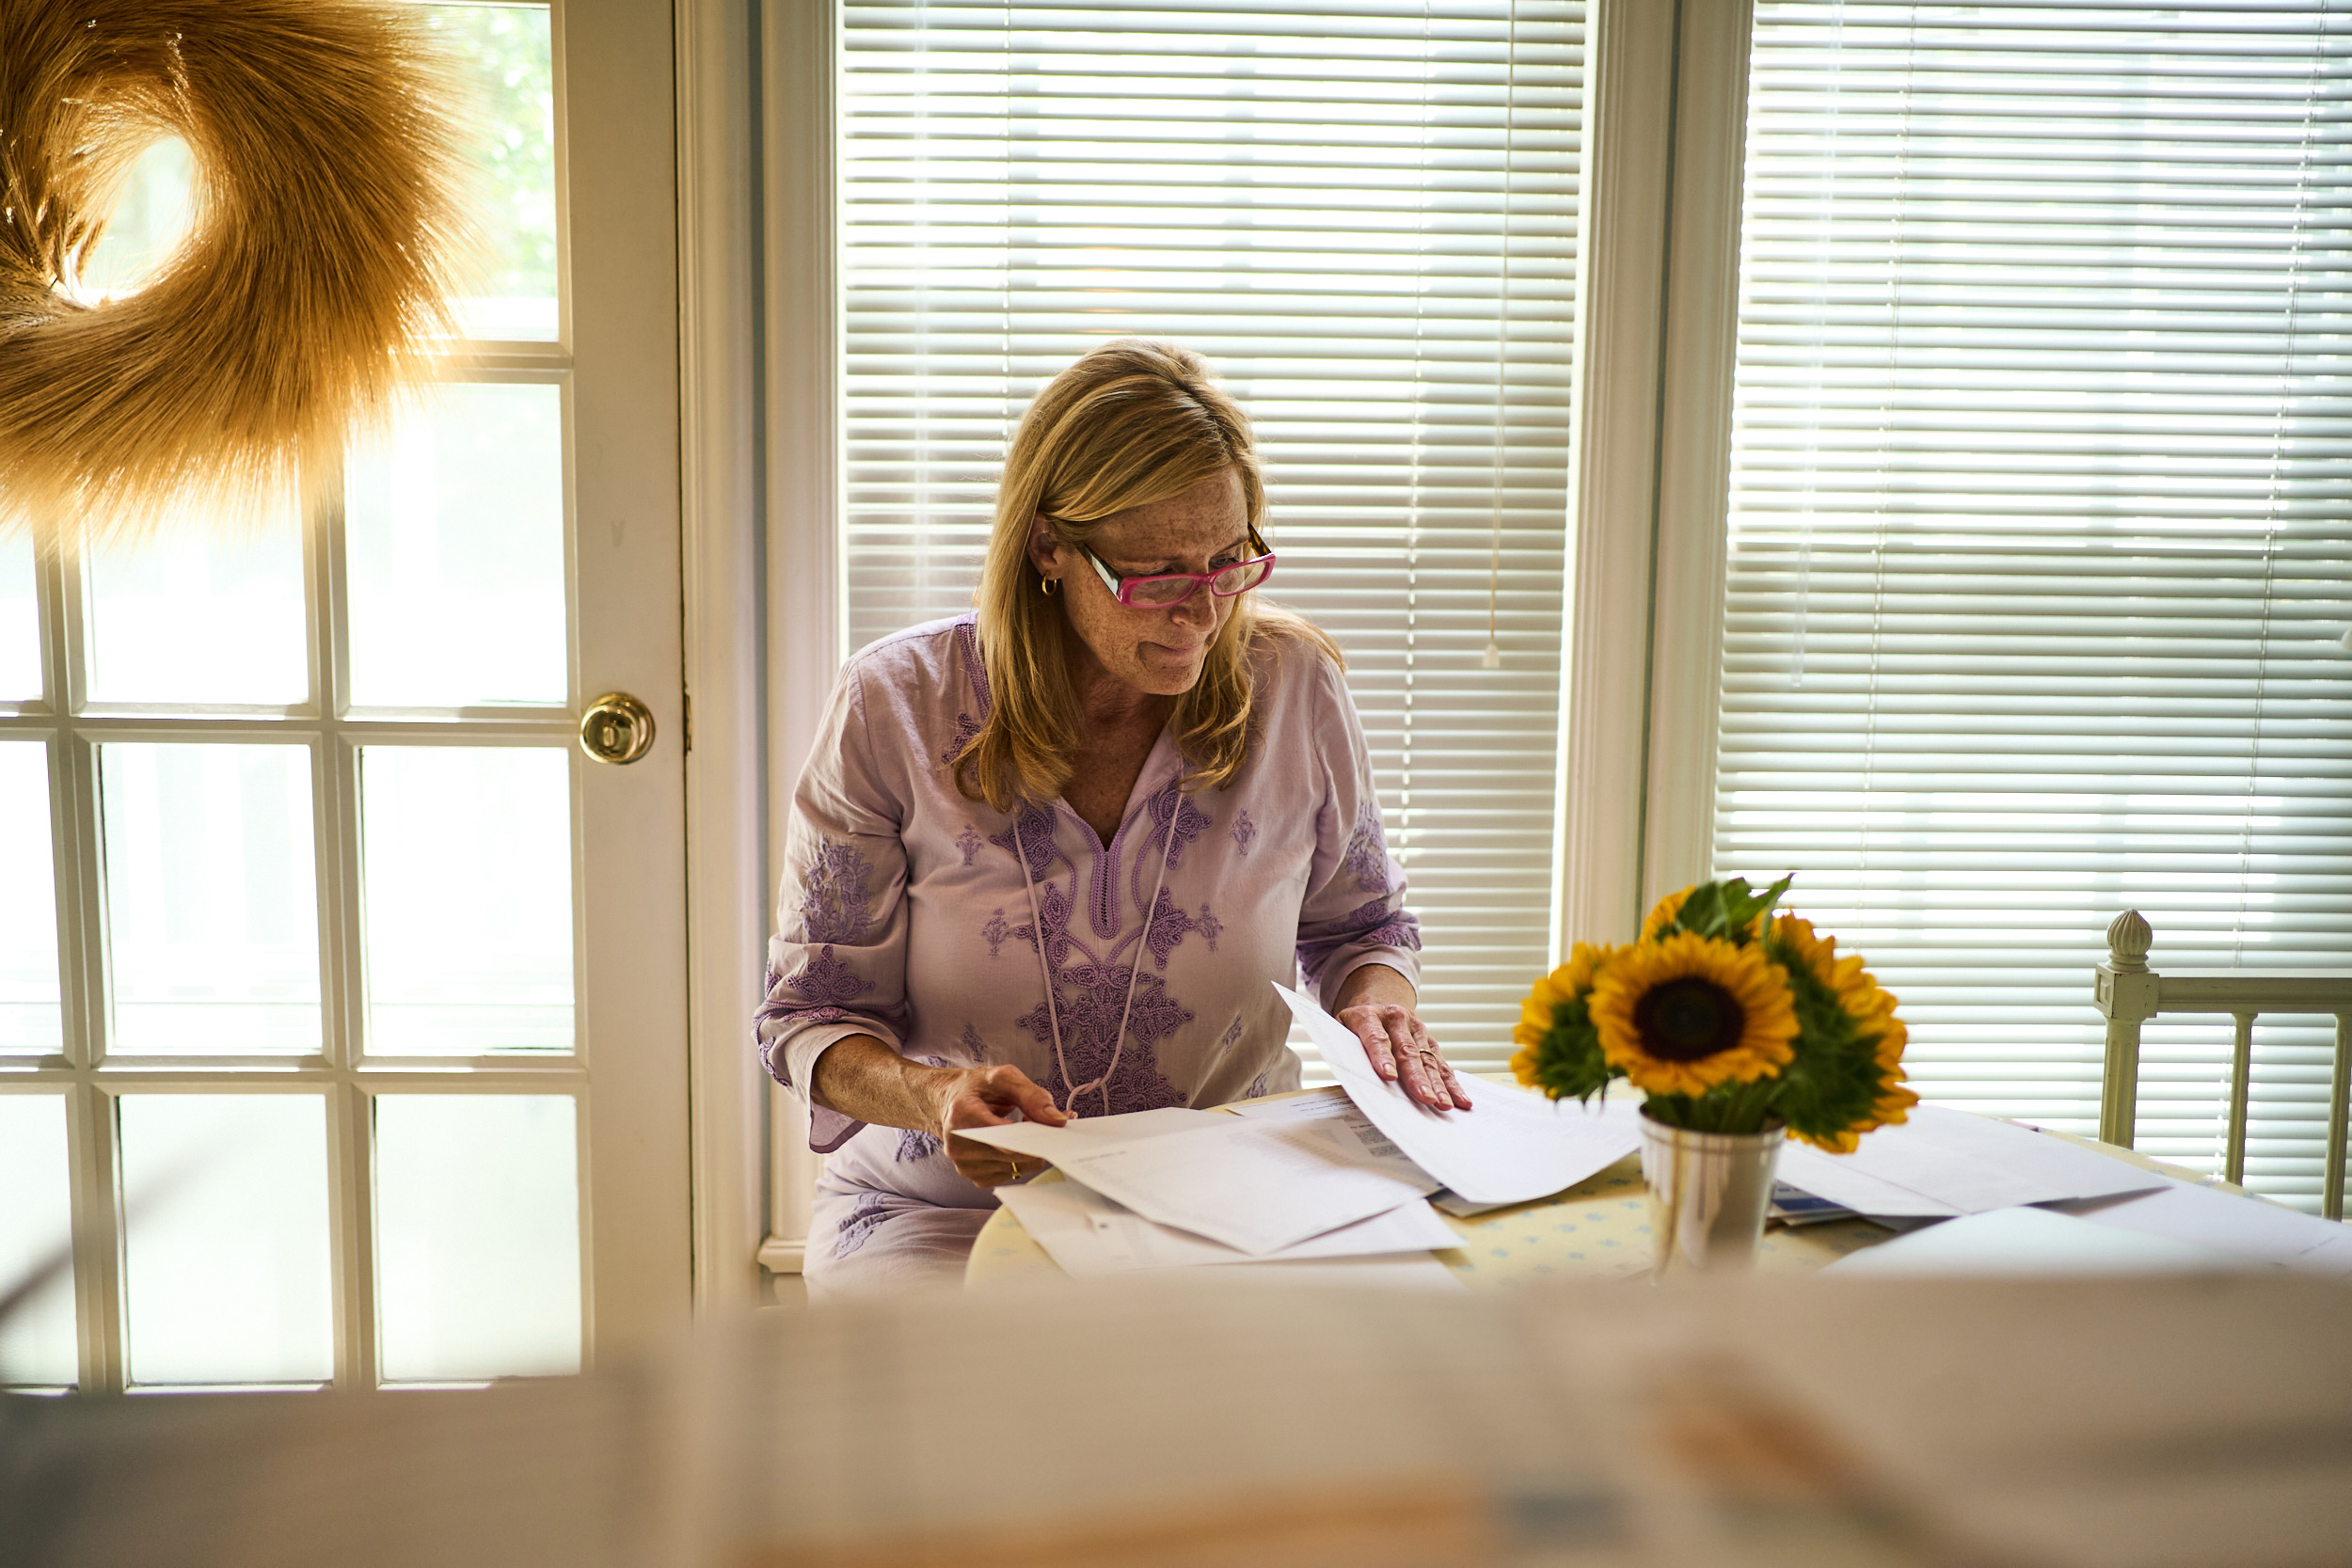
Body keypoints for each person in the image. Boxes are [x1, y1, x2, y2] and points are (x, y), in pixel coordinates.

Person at [755, 340, 1469, 1297]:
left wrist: (1379, 1005)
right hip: (947, 1213)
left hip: (1231, 1200)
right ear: (1048, 546)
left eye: (1228, 561)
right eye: (1156, 575)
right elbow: (811, 1016)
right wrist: (933, 1096)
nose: (1201, 612)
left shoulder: (1294, 689)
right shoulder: (895, 706)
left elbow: (1361, 927)